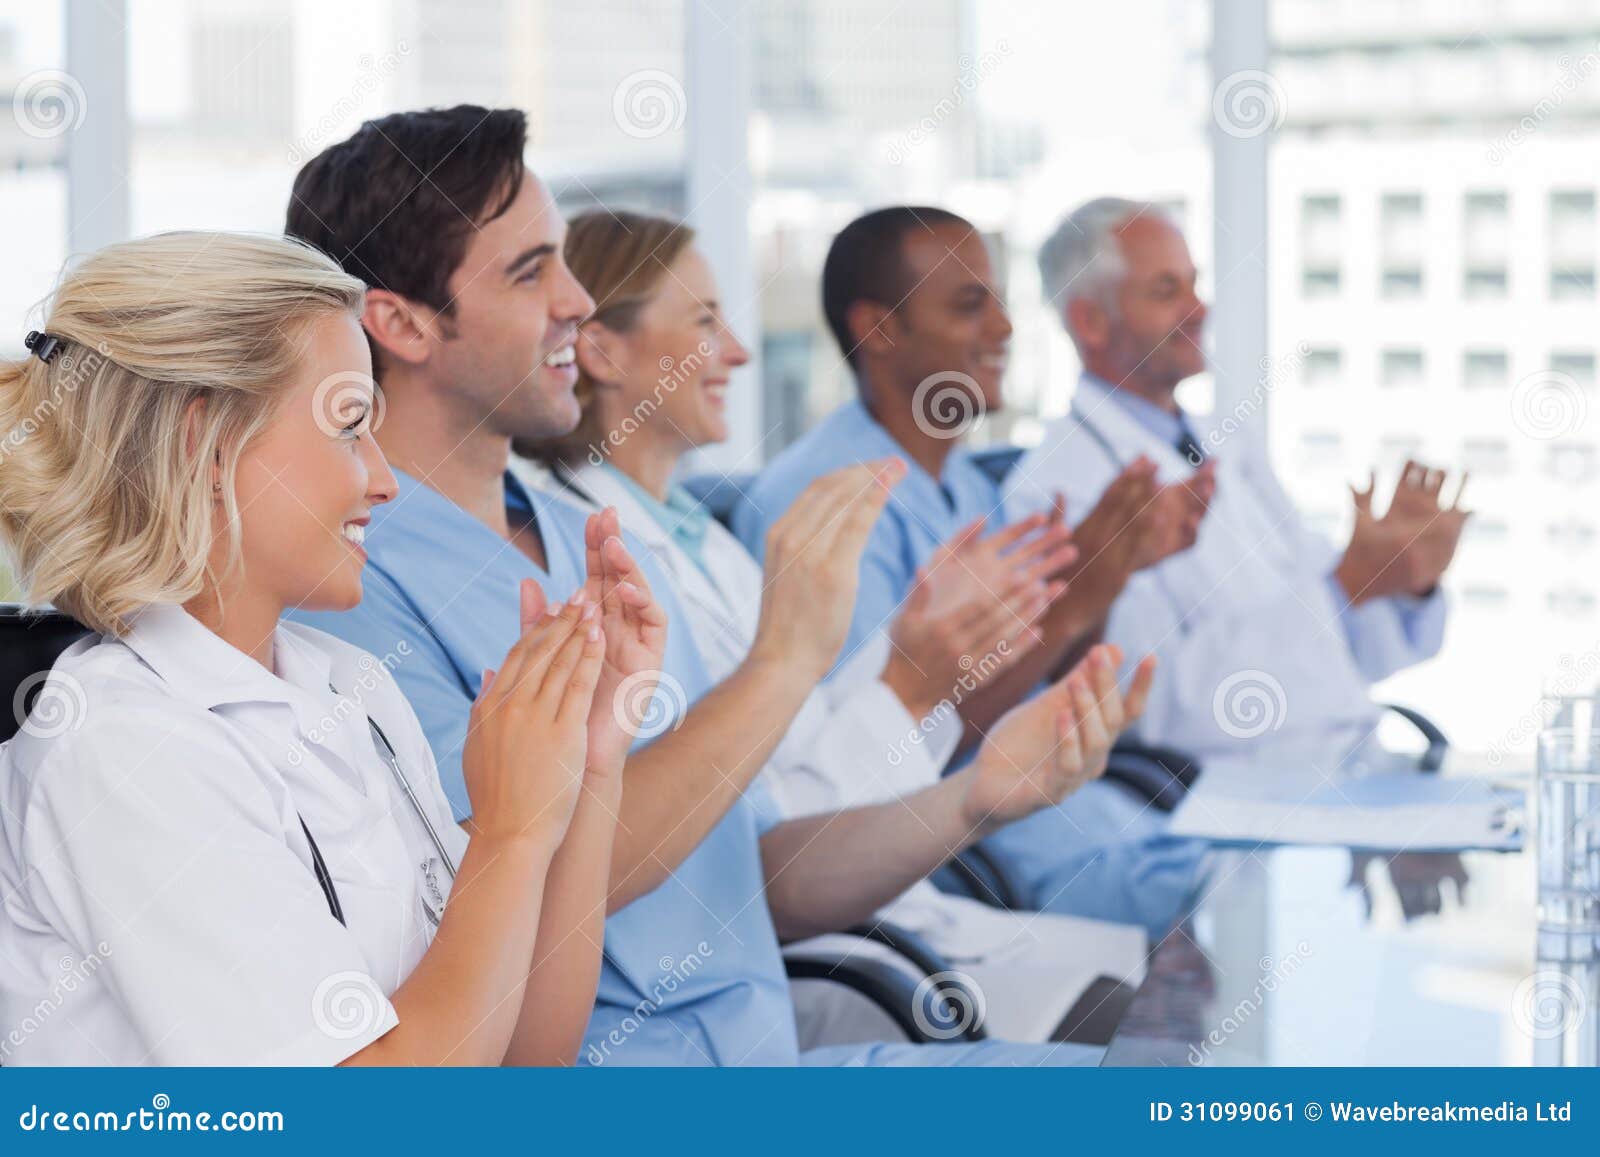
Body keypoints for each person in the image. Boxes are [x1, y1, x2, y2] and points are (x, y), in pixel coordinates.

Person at [285, 105, 1154, 1065]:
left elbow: (757, 876)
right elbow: (507, 872)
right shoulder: (353, 580)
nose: (577, 302)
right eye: (531, 272)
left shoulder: (594, 535)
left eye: (566, 262)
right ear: (401, 321)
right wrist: (783, 662)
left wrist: (977, 800)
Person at [521, 208, 1154, 1044]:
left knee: (1169, 999)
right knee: (1151, 1029)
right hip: (813, 960)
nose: (740, 354)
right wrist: (913, 680)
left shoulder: (703, 541)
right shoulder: (595, 567)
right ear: (600, 350)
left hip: (876, 910)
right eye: (705, 322)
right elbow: (761, 835)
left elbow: (803, 749)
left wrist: (918, 662)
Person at [0, 231, 618, 1065]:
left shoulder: (352, 686)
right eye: (350, 426)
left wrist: (591, 756)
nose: (384, 477)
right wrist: (508, 833)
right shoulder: (122, 748)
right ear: (205, 442)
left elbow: (527, 1061)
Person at [732, 207, 1210, 935]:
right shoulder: (820, 506)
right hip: (985, 865)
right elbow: (881, 758)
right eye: (967, 306)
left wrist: (1108, 574)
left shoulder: (969, 486)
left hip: (1090, 811)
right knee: (1247, 914)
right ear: (881, 329)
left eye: (999, 301)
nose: (1005, 331)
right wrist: (1074, 599)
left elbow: (1044, 676)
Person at [1008, 197, 1466, 759]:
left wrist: (1400, 579)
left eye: (1194, 285)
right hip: (1228, 805)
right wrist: (1347, 585)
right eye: (1165, 291)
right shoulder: (1055, 487)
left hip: (1337, 767)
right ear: (1090, 321)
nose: (1198, 309)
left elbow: (1354, 652)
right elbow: (1150, 705)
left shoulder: (1225, 440)